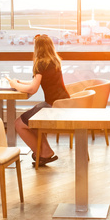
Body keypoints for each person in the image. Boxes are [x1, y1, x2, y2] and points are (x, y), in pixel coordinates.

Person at [7, 34, 69, 166]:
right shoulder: (54, 61)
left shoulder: (40, 63)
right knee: (31, 122)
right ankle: (46, 151)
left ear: (37, 48)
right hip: (64, 103)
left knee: (19, 123)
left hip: (53, 106)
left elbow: (32, 89)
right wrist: (19, 82)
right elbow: (36, 82)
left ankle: (41, 153)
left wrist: (14, 85)